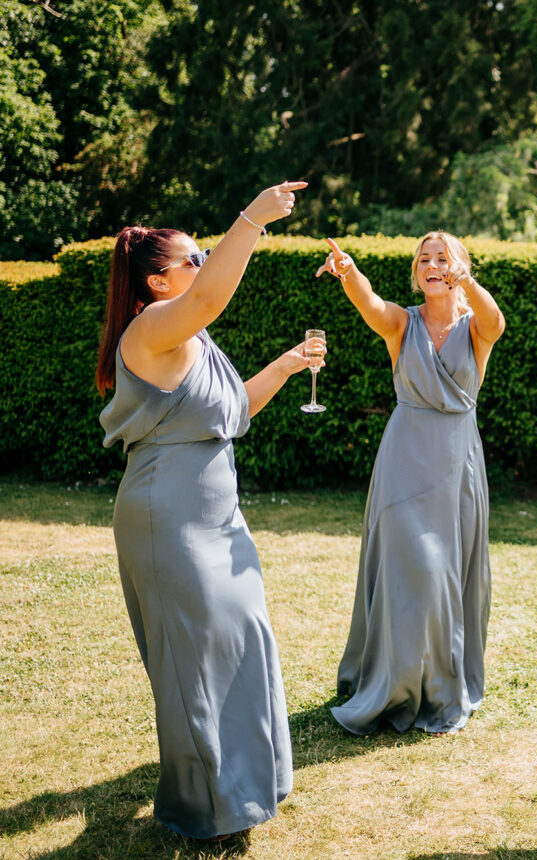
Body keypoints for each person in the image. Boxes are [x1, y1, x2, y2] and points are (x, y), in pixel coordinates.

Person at [96, 181, 316, 840]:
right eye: (193, 258)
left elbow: (233, 411)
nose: (204, 263)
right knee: (196, 661)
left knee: (242, 639)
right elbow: (211, 296)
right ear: (157, 283)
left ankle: (250, 784)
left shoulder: (194, 339)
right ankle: (209, 808)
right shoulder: (151, 328)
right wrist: (252, 218)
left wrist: (287, 365)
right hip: (168, 516)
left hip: (220, 518)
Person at [317, 231, 504, 735]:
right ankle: (393, 681)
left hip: (455, 462)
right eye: (424, 259)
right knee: (409, 567)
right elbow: (371, 305)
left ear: (460, 267)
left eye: (443, 258)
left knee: (442, 574)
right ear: (416, 272)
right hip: (403, 460)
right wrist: (350, 272)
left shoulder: (475, 327)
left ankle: (437, 685)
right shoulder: (403, 322)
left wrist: (470, 284)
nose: (432, 265)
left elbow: (496, 322)